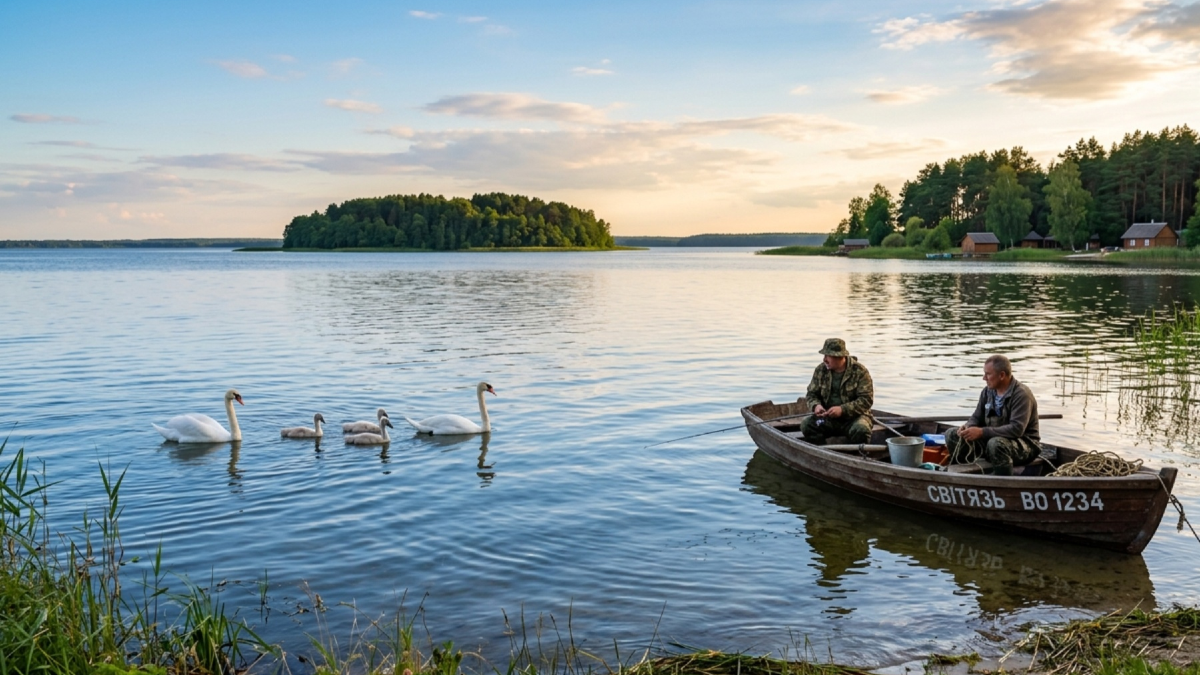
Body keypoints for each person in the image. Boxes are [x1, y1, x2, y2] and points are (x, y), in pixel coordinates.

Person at [945, 355, 1040, 475]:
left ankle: (1002, 480)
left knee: (996, 444)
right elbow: (976, 416)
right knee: (952, 434)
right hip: (992, 440)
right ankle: (964, 474)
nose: (984, 378)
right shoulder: (987, 391)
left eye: (988, 374)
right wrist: (968, 427)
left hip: (1025, 445)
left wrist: (982, 432)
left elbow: (1016, 429)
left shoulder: (1021, 394)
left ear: (1002, 375)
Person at [800, 338, 874, 445]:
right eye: (824, 356)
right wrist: (816, 406)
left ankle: (855, 454)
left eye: (828, 356)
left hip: (854, 419)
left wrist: (842, 410)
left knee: (861, 429)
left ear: (839, 357)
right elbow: (811, 394)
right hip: (827, 419)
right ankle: (821, 451)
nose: (824, 360)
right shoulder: (820, 370)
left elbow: (866, 400)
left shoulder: (860, 372)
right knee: (807, 425)